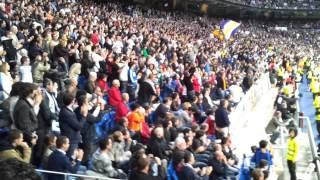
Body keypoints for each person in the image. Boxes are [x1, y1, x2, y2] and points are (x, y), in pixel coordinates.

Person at [58, 92, 87, 158]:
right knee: (70, 158)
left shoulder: (67, 110)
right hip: (71, 140)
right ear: (72, 101)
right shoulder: (67, 113)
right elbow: (78, 126)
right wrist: (84, 116)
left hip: (72, 139)